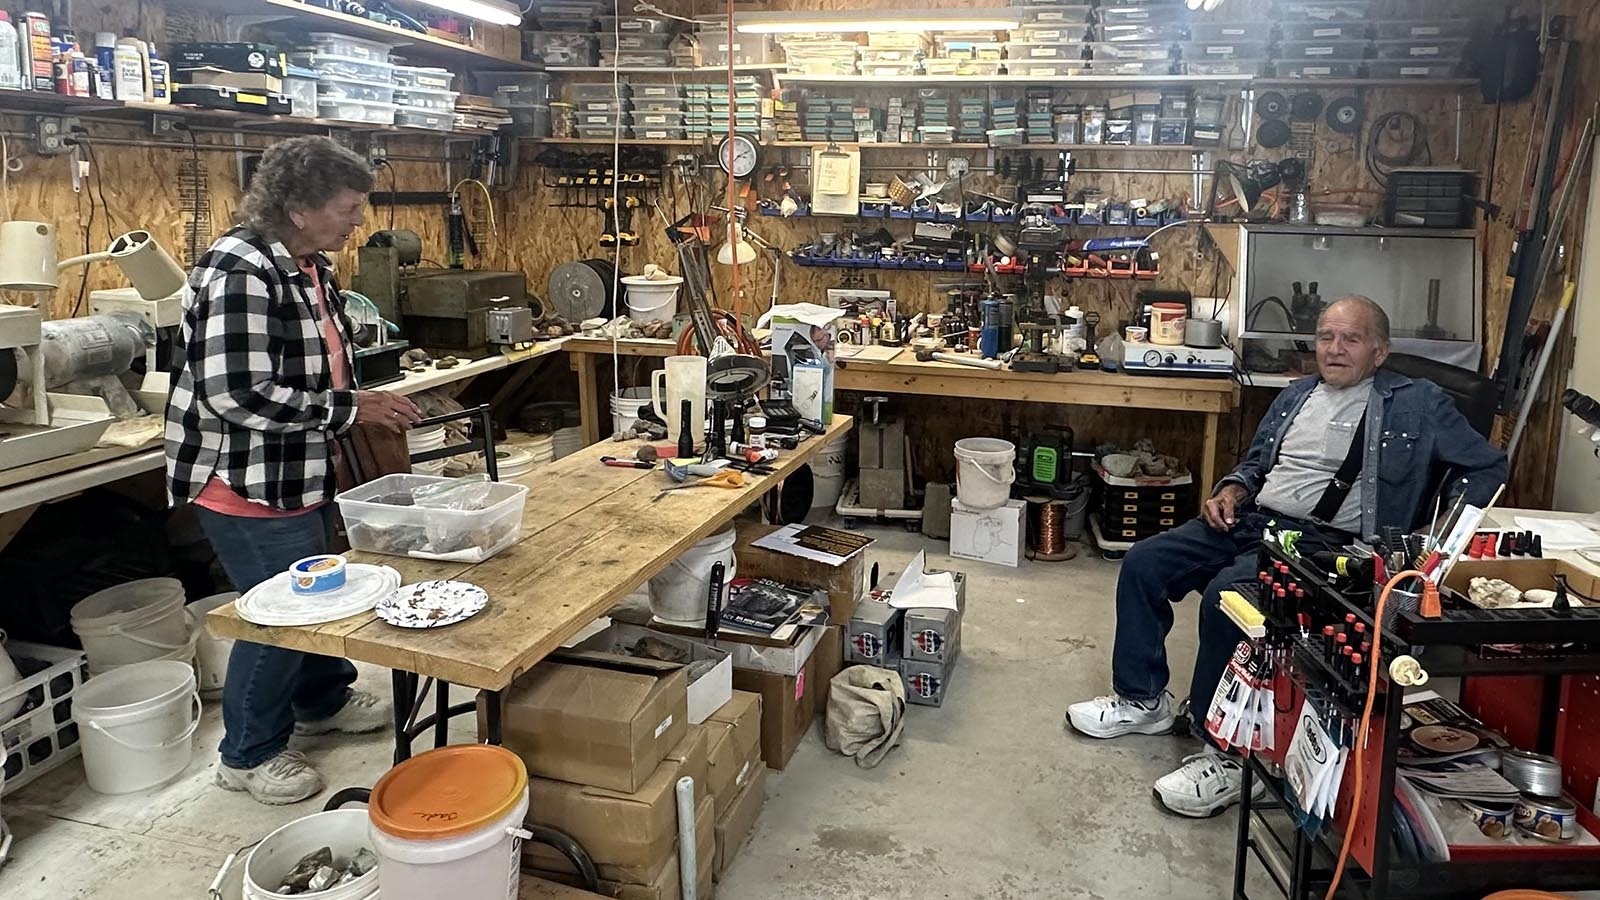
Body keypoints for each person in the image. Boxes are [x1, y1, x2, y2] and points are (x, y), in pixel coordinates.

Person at [1066, 296, 1506, 818]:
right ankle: (1143, 701)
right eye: (1326, 337)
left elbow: (1487, 468)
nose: (1335, 349)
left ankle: (1227, 756)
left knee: (1227, 599)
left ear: (1380, 351)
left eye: (1351, 339)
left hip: (1325, 545)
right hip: (1252, 522)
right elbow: (1258, 464)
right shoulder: (1297, 393)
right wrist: (1231, 487)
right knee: (1143, 562)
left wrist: (1433, 543)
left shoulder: (1419, 404)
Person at [165, 136, 423, 804]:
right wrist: (352, 410)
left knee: (317, 599)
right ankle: (246, 754)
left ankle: (321, 700)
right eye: (348, 206)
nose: (358, 220)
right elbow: (237, 393)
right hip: (246, 480)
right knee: (276, 615)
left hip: (298, 468)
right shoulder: (241, 268)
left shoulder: (309, 265)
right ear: (300, 207)